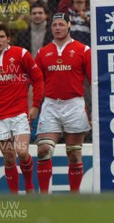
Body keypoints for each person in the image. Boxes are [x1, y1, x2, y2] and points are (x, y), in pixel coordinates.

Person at [0, 23, 44, 194]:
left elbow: (38, 79)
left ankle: (29, 186)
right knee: (9, 157)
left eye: (1, 37)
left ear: (8, 39)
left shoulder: (21, 54)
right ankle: (14, 196)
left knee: (21, 151)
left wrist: (35, 105)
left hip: (20, 114)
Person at [34, 12, 91, 194]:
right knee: (43, 150)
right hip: (51, 105)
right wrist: (34, 106)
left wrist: (93, 110)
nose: (57, 28)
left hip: (74, 105)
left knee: (74, 155)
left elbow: (93, 81)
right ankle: (43, 198)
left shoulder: (83, 50)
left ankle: (74, 199)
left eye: (61, 24)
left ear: (69, 25)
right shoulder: (43, 53)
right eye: (54, 25)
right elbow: (35, 82)